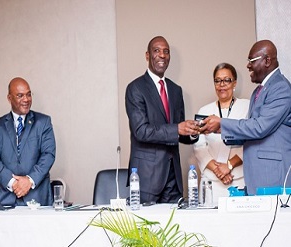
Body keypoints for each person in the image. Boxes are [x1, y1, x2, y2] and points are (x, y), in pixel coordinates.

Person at [200, 40, 291, 195]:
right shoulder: (258, 91)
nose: (248, 65)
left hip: (272, 173)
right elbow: (251, 130)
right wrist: (218, 129)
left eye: (251, 61)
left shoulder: (281, 88)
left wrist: (222, 123)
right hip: (256, 174)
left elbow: (260, 127)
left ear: (267, 60)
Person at [125, 36, 199, 203]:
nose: (162, 55)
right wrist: (177, 129)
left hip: (173, 177)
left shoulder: (175, 90)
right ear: (147, 56)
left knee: (176, 228)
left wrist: (194, 131)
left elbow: (178, 132)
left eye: (166, 51)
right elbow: (141, 131)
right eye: (157, 51)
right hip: (147, 177)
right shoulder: (135, 88)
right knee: (145, 228)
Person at [0, 77, 56, 206]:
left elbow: (48, 155)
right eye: (20, 96)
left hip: (37, 199)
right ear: (9, 98)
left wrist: (29, 181)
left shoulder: (43, 122)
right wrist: (13, 183)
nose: (26, 99)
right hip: (6, 199)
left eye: (28, 94)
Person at [194, 63, 250, 205]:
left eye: (227, 80)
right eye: (218, 80)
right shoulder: (204, 111)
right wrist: (218, 170)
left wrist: (229, 166)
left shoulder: (247, 107)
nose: (222, 85)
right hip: (211, 180)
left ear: (234, 83)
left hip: (238, 178)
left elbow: (252, 142)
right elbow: (199, 147)